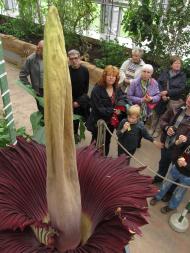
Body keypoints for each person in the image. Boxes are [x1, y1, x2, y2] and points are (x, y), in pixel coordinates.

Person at [86, 65, 123, 156]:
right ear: (104, 76)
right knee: (95, 141)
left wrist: (123, 107)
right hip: (98, 122)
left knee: (107, 141)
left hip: (110, 123)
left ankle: (103, 160)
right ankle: (89, 160)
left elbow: (122, 99)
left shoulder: (117, 89)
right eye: (109, 75)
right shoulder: (97, 90)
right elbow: (98, 108)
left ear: (116, 78)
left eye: (113, 76)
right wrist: (113, 110)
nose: (111, 78)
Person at [153, 93, 190, 184]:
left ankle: (169, 191)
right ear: (187, 97)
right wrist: (167, 128)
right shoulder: (175, 107)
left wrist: (187, 139)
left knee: (176, 173)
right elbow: (162, 119)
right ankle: (158, 179)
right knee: (163, 165)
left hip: (180, 151)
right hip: (167, 146)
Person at [150, 139, 190, 214]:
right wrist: (178, 157)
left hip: (188, 176)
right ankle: (157, 197)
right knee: (165, 184)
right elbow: (178, 149)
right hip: (176, 168)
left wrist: (186, 165)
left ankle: (171, 206)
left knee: (179, 193)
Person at [68, 49, 90, 137]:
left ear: (80, 58)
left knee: (77, 119)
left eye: (76, 58)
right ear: (69, 59)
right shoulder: (66, 71)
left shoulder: (85, 71)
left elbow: (86, 89)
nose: (74, 61)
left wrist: (79, 102)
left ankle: (75, 134)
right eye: (71, 59)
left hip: (79, 101)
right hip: (69, 100)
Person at [19, 40, 44, 115]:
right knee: (42, 110)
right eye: (37, 46)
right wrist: (30, 88)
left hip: (50, 89)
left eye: (40, 48)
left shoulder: (51, 58)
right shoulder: (31, 59)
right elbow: (22, 75)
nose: (37, 48)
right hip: (39, 91)